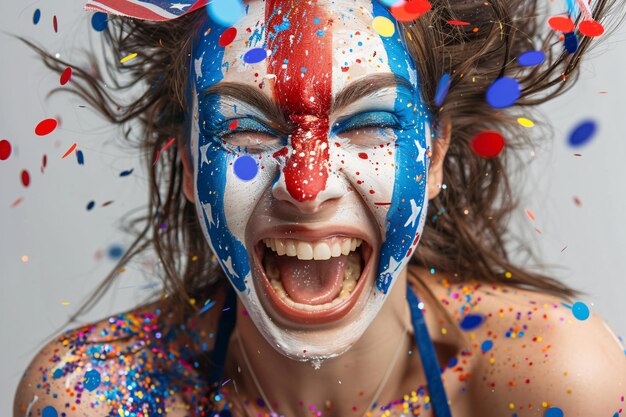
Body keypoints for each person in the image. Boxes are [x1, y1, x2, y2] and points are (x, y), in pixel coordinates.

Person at [12, 0, 626, 416]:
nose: (305, 187)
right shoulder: (90, 395)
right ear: (189, 163)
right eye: (245, 131)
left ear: (434, 156)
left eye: (368, 124)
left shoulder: (554, 377)